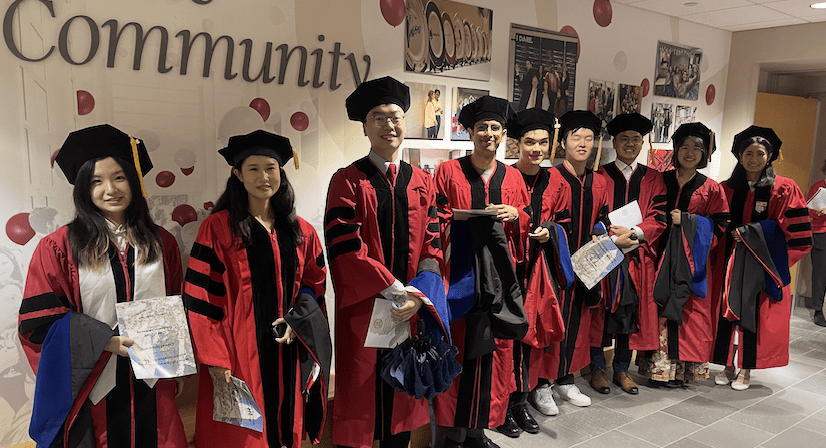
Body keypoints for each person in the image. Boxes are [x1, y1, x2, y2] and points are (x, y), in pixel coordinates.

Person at [18, 124, 187, 448]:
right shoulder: (60, 246)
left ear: (135, 181)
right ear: (83, 188)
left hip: (154, 379)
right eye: (97, 181)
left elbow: (175, 303)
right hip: (92, 382)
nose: (110, 189)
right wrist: (103, 340)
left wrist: (174, 362)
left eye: (119, 177)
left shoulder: (160, 241)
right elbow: (38, 323)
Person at [183, 130, 331, 448]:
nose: (263, 176)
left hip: (288, 352)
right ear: (237, 174)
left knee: (284, 429)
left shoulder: (301, 231)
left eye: (270, 168)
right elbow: (200, 300)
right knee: (243, 437)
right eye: (253, 168)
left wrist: (299, 319)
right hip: (236, 355)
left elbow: (314, 284)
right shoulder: (218, 229)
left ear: (281, 173)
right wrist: (216, 359)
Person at [325, 76, 449, 448]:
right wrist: (394, 288)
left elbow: (434, 244)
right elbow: (345, 247)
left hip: (409, 309)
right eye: (377, 117)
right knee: (363, 391)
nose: (388, 125)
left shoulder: (423, 182)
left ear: (405, 122)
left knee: (401, 395)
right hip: (366, 310)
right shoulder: (347, 180)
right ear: (365, 127)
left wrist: (417, 295)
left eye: (394, 116)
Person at [433, 95, 529, 448]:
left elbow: (525, 220)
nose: (488, 133)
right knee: (459, 347)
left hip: (498, 280)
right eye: (481, 128)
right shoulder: (448, 171)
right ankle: (452, 434)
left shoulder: (513, 176)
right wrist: (455, 219)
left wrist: (515, 215)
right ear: (470, 132)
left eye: (495, 128)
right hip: (459, 277)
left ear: (503, 134)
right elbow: (435, 216)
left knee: (493, 353)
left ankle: (478, 432)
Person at [711, 125, 813, 390]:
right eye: (748, 153)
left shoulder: (785, 188)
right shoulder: (726, 189)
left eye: (759, 153)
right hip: (729, 263)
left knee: (752, 313)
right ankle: (726, 364)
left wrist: (750, 234)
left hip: (762, 265)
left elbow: (798, 235)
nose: (753, 159)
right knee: (727, 311)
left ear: (770, 156)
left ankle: (746, 369)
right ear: (740, 156)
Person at [529, 110, 610, 411]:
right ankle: (541, 385)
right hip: (555, 269)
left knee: (578, 324)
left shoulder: (599, 182)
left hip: (587, 267)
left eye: (589, 138)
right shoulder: (550, 178)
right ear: (563, 143)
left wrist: (600, 232)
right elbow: (543, 220)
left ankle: (565, 380)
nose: (583, 143)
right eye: (576, 137)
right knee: (552, 324)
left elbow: (603, 218)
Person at [645, 123, 730, 387]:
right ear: (676, 150)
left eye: (697, 148)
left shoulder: (712, 188)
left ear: (705, 154)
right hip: (660, 257)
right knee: (658, 309)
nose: (690, 152)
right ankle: (659, 371)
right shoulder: (661, 179)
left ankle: (682, 371)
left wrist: (689, 221)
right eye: (684, 147)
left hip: (692, 260)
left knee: (689, 315)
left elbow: (721, 224)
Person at [588, 113, 667, 396]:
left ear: (643, 142)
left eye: (636, 139)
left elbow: (659, 217)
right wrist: (611, 237)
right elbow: (592, 215)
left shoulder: (655, 179)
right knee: (599, 312)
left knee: (629, 313)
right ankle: (597, 368)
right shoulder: (599, 176)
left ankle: (622, 369)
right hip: (604, 255)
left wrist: (633, 235)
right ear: (615, 142)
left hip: (637, 259)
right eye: (624, 139)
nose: (630, 144)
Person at [495, 107, 561, 437]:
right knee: (507, 339)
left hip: (538, 270)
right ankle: (503, 405)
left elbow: (565, 224)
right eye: (529, 142)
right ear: (517, 144)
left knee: (529, 339)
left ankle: (520, 401)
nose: (536, 149)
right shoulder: (505, 177)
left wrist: (551, 231)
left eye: (543, 142)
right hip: (507, 273)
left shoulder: (555, 181)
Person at [806, 158, 826, 327]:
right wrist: (818, 212)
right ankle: (818, 310)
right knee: (820, 273)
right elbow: (806, 209)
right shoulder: (819, 187)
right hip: (821, 233)